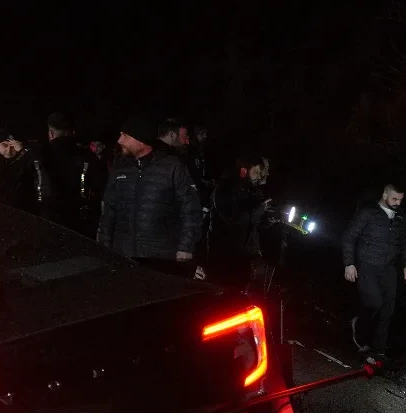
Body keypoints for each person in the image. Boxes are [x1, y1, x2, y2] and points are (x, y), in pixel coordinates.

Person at [97, 116, 203, 275]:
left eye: (125, 135)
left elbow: (190, 209)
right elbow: (109, 210)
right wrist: (104, 246)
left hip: (161, 257)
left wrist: (186, 246)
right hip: (124, 254)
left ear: (140, 139)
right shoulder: (120, 168)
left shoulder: (172, 166)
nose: (119, 140)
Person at [342, 184, 406, 361]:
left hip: (389, 268)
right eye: (394, 199)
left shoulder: (400, 216)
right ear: (385, 194)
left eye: (400, 200)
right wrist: (349, 263)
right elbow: (349, 237)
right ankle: (359, 330)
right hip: (367, 265)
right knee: (374, 303)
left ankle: (379, 351)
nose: (398, 203)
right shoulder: (368, 212)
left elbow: (403, 243)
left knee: (387, 310)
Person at [208, 156, 271, 291]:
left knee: (240, 294)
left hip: (244, 255)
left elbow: (254, 223)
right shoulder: (225, 189)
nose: (259, 176)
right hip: (225, 257)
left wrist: (269, 218)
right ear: (243, 171)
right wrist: (259, 209)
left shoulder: (250, 191)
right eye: (256, 172)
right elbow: (233, 218)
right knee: (222, 294)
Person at [42, 112, 104, 235]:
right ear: (73, 132)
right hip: (81, 224)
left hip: (45, 222)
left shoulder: (38, 155)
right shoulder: (89, 157)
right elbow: (100, 189)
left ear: (51, 133)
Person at [0, 127, 50, 213]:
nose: (9, 150)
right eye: (5, 145)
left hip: (22, 214)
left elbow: (42, 183)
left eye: (14, 146)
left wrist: (25, 152)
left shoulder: (28, 159)